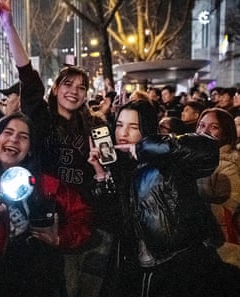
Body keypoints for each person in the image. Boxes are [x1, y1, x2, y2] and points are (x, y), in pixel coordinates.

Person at [0, 1, 108, 296]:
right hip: (38, 216)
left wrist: (101, 165)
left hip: (77, 224)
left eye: (81, 87)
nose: (74, 91)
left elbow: (105, 179)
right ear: (56, 88)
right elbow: (28, 78)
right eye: (67, 84)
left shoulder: (95, 127)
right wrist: (8, 25)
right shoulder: (41, 119)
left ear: (87, 95)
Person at [88, 99, 240, 297]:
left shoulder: (166, 160)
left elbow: (207, 149)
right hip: (143, 270)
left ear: (148, 128)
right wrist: (101, 174)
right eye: (119, 125)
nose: (123, 133)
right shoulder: (121, 168)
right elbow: (114, 220)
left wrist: (143, 147)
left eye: (133, 126)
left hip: (180, 269)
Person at [0, 112, 92, 297]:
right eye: (8, 132)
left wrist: (59, 238)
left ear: (31, 148)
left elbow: (83, 214)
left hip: (35, 279)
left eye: (23, 137)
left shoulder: (43, 183)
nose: (14, 139)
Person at [196, 108, 240, 245]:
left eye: (214, 127)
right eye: (201, 125)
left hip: (218, 241)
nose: (204, 131)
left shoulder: (227, 166)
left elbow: (228, 212)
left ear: (226, 134)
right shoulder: (195, 158)